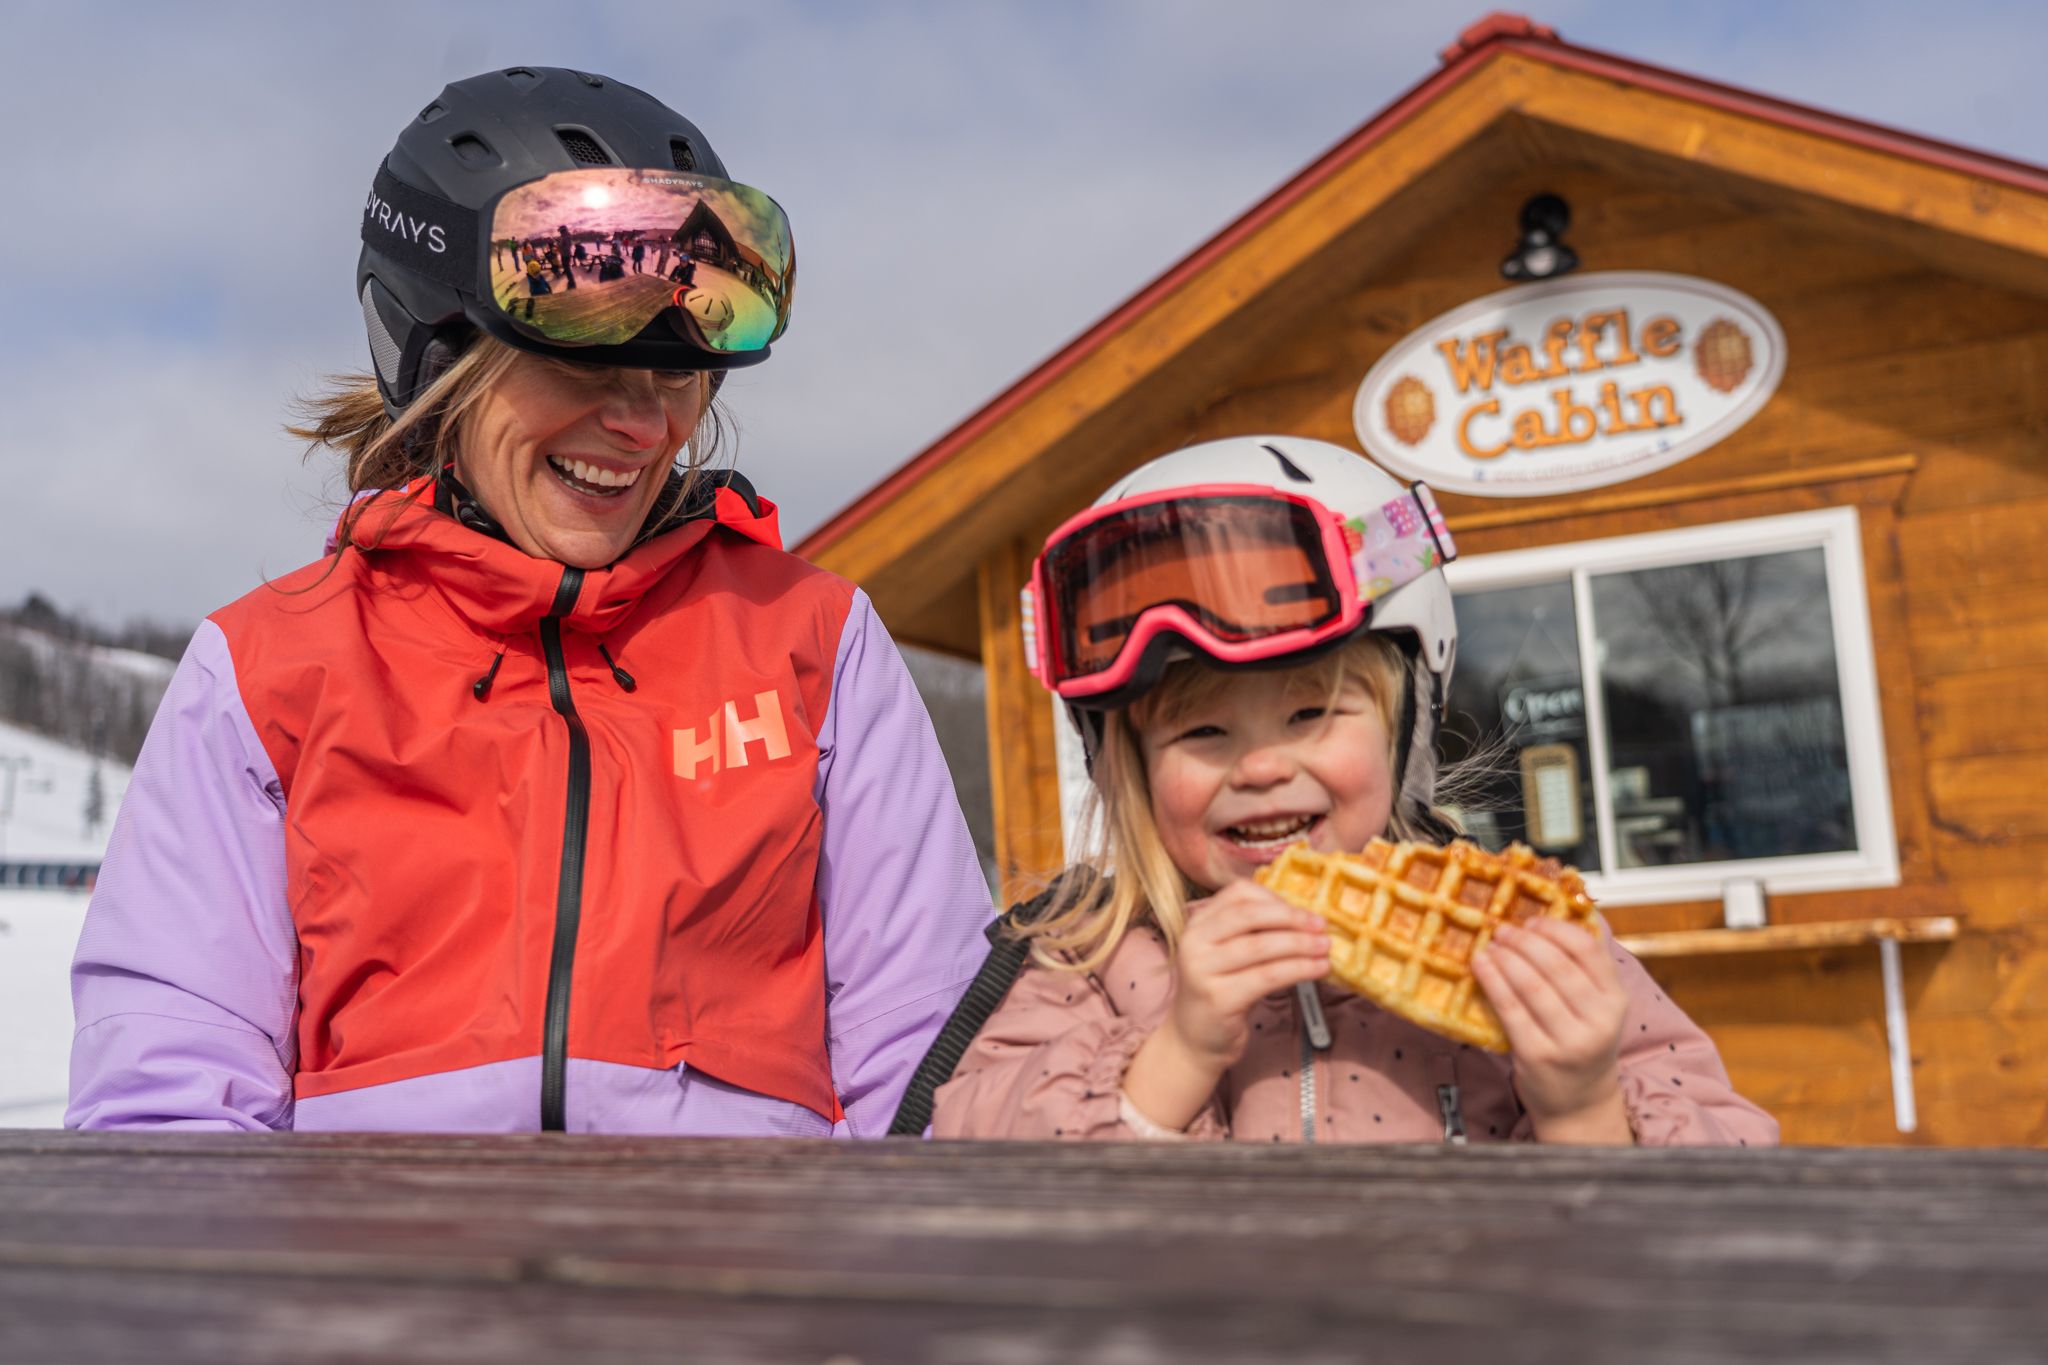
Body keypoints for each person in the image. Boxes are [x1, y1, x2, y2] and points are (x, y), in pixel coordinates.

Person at [68, 66, 995, 1136]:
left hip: (737, 1283)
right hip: (371, 1287)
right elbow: (171, 1094)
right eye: (587, 367)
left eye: (676, 375)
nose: (644, 426)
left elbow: (926, 1071)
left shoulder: (811, 646)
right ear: (436, 355)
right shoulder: (274, 669)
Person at [925, 436, 1777, 1146]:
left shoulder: (1532, 946)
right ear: (1127, 765)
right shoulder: (1080, 966)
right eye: (1202, 732)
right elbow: (971, 1180)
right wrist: (1175, 1054)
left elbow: (1718, 1197)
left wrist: (1581, 1104)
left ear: (1407, 726)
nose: (1259, 768)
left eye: (1309, 713)